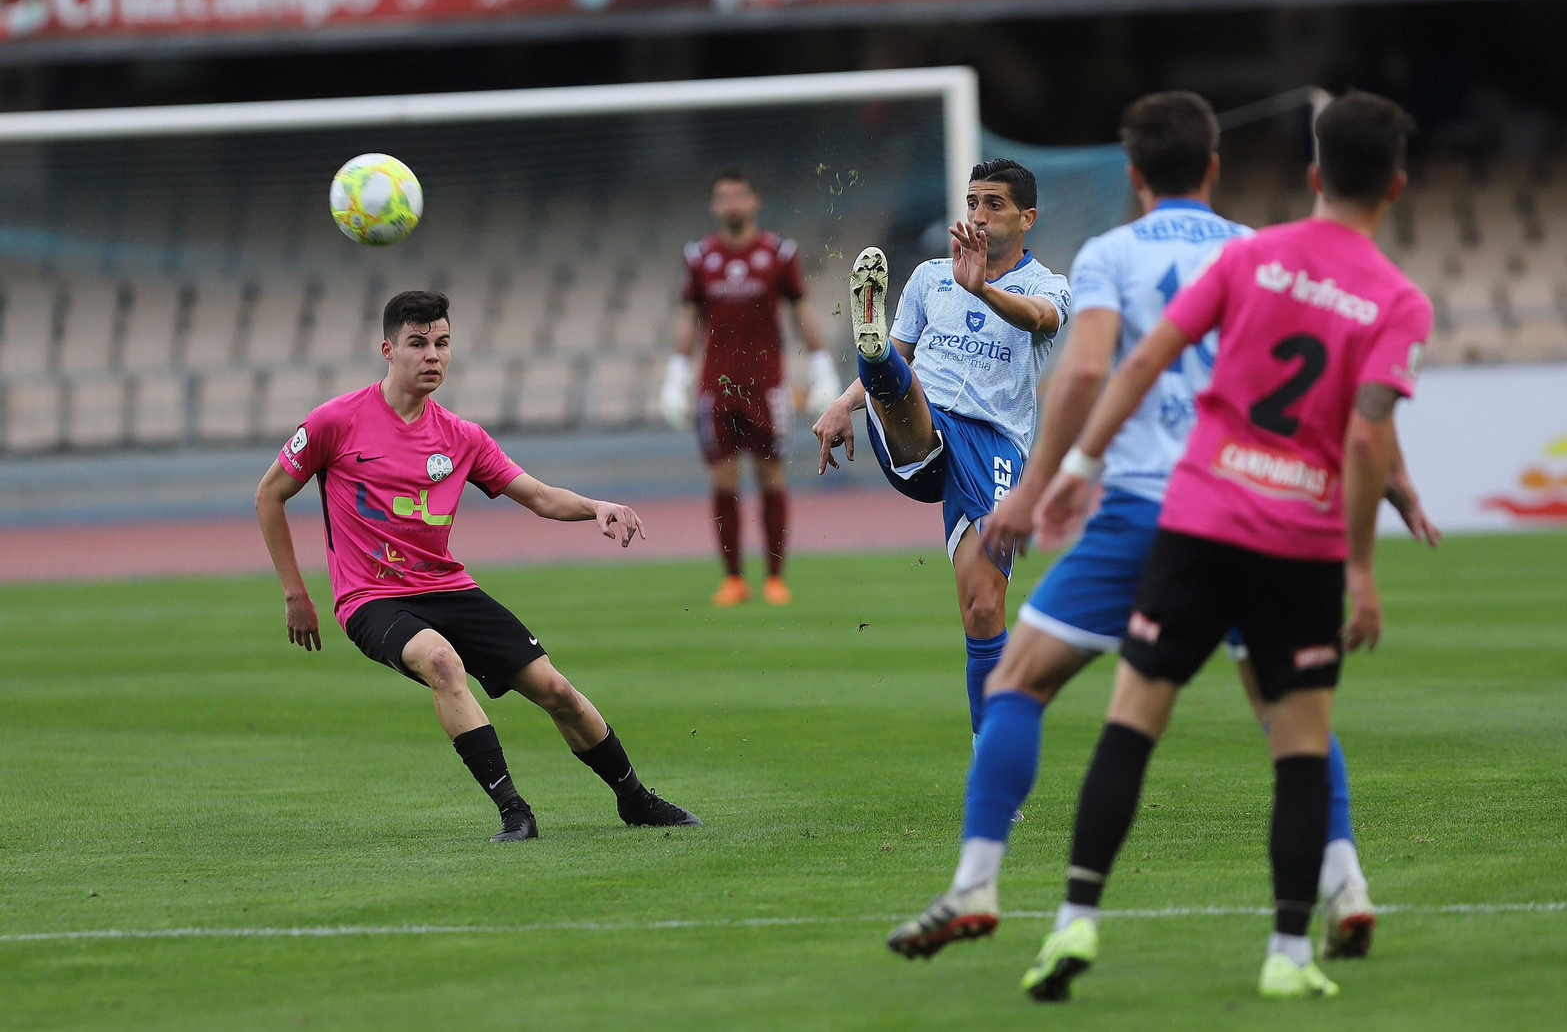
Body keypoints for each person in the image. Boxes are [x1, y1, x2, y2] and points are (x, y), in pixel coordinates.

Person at [886, 92, 1438, 971]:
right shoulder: (1259, 252)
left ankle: (982, 882)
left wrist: (1053, 481)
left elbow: (1103, 368)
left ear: (1133, 174)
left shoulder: (1110, 254)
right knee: (1288, 714)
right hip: (1261, 505)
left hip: (1156, 505)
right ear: (1216, 169)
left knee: (1024, 679)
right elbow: (1349, 391)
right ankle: (1346, 887)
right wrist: (1397, 488)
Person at [256, 290, 699, 843]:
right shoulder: (334, 422)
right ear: (388, 350)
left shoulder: (461, 437)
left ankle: (635, 800)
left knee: (555, 690)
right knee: (442, 662)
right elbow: (269, 494)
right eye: (418, 344)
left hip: (448, 586)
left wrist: (596, 507)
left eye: (442, 343)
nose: (433, 356)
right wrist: (295, 593)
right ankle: (514, 811)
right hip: (371, 598)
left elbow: (537, 496)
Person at [812, 159, 1071, 743]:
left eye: (995, 204)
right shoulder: (930, 277)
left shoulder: (1047, 286)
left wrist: (982, 289)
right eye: (974, 202)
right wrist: (839, 405)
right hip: (922, 425)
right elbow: (909, 344)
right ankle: (873, 362)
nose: (979, 215)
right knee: (891, 363)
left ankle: (991, 756)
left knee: (983, 609)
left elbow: (1039, 319)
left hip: (995, 444)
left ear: (1027, 217)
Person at [660, 168, 840, 606]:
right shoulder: (700, 255)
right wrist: (677, 372)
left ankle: (775, 577)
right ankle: (734, 578)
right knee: (723, 479)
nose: (732, 204)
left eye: (739, 195)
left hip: (767, 386)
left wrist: (820, 366)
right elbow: (689, 317)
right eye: (723, 197)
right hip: (715, 387)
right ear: (715, 205)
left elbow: (801, 311)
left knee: (771, 476)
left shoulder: (779, 252)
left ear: (754, 201)